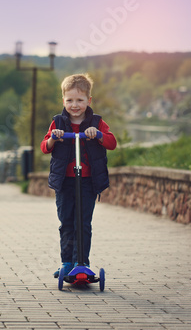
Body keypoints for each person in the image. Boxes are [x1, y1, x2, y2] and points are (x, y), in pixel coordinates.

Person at [40, 73, 117, 278]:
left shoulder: (97, 122)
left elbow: (112, 142)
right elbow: (44, 147)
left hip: (87, 182)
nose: (75, 105)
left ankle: (81, 262)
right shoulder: (57, 123)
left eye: (80, 100)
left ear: (88, 101)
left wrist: (98, 135)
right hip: (65, 182)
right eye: (70, 100)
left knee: (83, 223)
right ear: (63, 100)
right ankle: (67, 262)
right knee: (66, 221)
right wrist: (53, 139)